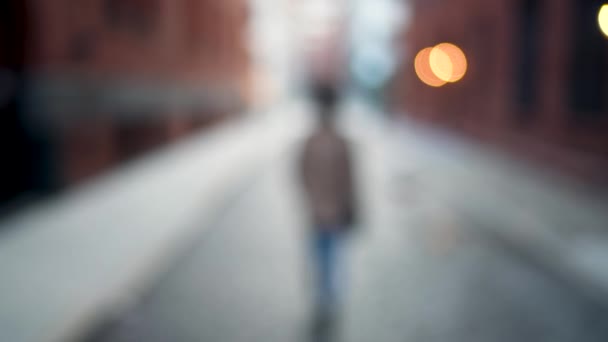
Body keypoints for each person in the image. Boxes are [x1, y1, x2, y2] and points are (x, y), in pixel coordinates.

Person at [300, 83, 357, 322]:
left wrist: (312, 198)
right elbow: (350, 180)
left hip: (319, 212)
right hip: (331, 213)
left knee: (322, 256)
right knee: (331, 256)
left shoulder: (311, 142)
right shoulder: (340, 142)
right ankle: (328, 297)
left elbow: (300, 174)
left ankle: (324, 296)